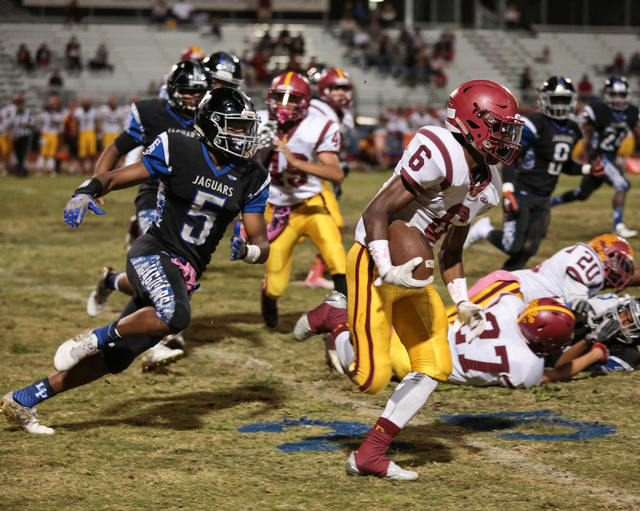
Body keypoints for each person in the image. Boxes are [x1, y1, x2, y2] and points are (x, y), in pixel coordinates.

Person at [0, 87, 269, 435]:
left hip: (184, 273)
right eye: (234, 126)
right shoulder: (180, 147)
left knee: (118, 358)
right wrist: (86, 190)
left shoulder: (253, 176)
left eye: (245, 127)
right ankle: (96, 336)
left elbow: (260, 240)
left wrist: (248, 251)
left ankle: (24, 399)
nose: (242, 135)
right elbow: (116, 176)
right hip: (152, 252)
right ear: (211, 124)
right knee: (176, 315)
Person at [294, 80, 524, 479]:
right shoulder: (441, 150)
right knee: (372, 378)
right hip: (375, 261)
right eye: (501, 127)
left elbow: (451, 251)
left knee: (435, 363)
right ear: (474, 121)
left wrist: (464, 301)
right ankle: (334, 319)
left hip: (416, 272)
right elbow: (376, 212)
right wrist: (386, 269)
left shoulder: (486, 186)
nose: (507, 137)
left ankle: (370, 454)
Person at [85, 60, 211, 368]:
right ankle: (161, 341)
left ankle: (112, 281)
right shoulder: (153, 113)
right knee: (162, 268)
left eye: (199, 92)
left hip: (187, 205)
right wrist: (98, 184)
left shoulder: (210, 118)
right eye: (188, 91)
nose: (194, 98)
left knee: (182, 279)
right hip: (153, 197)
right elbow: (116, 148)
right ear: (172, 91)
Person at [465, 77, 586, 270]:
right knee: (512, 246)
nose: (560, 105)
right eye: (556, 100)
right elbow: (509, 156)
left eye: (564, 100)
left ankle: (503, 280)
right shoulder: (534, 124)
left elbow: (564, 164)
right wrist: (508, 189)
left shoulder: (573, 129)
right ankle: (484, 230)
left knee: (529, 249)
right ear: (545, 100)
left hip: (544, 196)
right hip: (523, 191)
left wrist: (588, 169)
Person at [255, 72, 346, 328]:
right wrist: (260, 152)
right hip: (276, 210)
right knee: (276, 283)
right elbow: (247, 169)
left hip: (310, 204)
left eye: (290, 99)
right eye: (278, 98)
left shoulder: (317, 125)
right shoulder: (258, 122)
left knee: (336, 254)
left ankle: (344, 314)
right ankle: (268, 297)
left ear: (304, 102)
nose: (283, 105)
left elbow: (335, 173)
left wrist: (296, 162)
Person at [448, 234, 635, 333]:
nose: (621, 271)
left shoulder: (592, 274)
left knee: (464, 336)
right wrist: (612, 304)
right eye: (619, 263)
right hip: (507, 290)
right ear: (603, 253)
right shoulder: (589, 258)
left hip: (517, 302)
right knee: (449, 323)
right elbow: (578, 304)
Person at [551, 77, 640, 238]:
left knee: (581, 194)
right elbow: (584, 131)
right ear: (607, 95)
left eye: (621, 95)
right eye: (614, 95)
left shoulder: (631, 112)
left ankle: (550, 203)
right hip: (599, 157)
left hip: (610, 159)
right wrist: (580, 147)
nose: (618, 99)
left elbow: (637, 134)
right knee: (622, 184)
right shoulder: (598, 110)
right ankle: (618, 226)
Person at [304, 68, 355, 290]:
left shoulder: (346, 116)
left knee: (333, 224)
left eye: (344, 88)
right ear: (325, 90)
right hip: (302, 174)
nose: (341, 93)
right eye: (336, 88)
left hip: (318, 175)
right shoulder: (316, 110)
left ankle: (316, 273)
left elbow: (333, 149)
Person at [36, 96, 64, 177]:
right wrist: (41, 135)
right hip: (46, 133)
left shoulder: (58, 114)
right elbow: (41, 124)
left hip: (54, 134)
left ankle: (50, 169)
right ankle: (39, 169)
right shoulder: (44, 114)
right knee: (43, 152)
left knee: (52, 153)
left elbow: (60, 126)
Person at [9, 94, 36, 178]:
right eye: (17, 103)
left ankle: (21, 170)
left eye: (20, 103)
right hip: (16, 136)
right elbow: (9, 125)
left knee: (23, 154)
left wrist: (25, 125)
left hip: (24, 136)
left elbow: (33, 125)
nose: (19, 105)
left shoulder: (27, 113)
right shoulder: (13, 114)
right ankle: (20, 170)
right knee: (17, 154)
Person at [75, 97, 98, 174]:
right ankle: (81, 168)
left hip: (91, 131)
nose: (86, 106)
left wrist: (97, 132)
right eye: (85, 104)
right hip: (82, 132)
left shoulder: (93, 112)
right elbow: (76, 123)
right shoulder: (78, 111)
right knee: (82, 153)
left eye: (87, 104)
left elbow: (96, 122)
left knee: (92, 152)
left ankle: (93, 168)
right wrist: (76, 133)